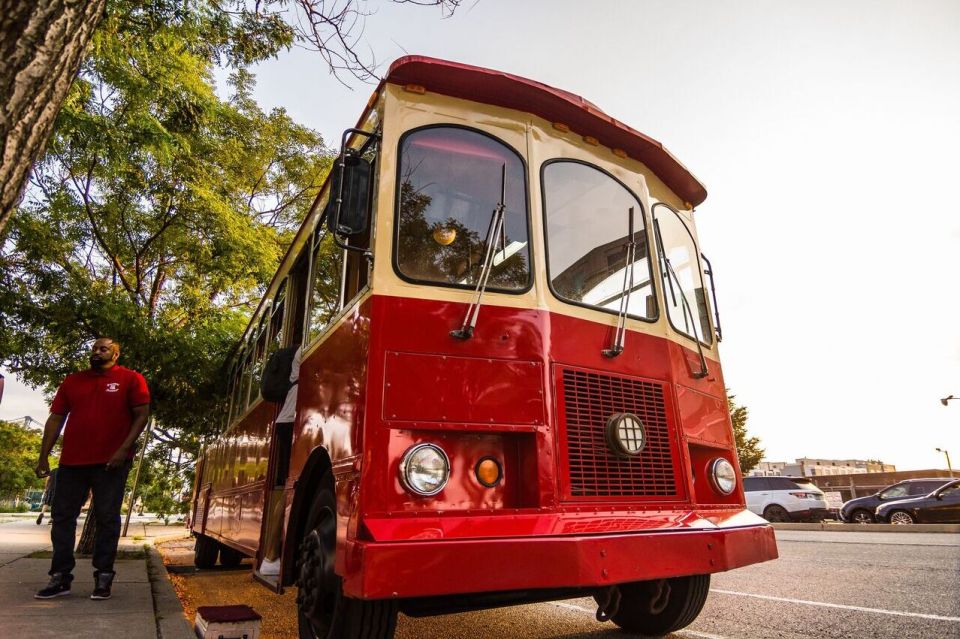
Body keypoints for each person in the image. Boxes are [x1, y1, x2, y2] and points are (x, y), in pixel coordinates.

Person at [33, 337, 150, 600]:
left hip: (111, 463)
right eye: (94, 348)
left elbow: (142, 414)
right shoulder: (73, 381)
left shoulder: (132, 379)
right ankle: (60, 577)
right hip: (72, 462)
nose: (97, 352)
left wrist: (123, 450)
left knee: (108, 519)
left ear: (116, 354)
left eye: (103, 348)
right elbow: (56, 418)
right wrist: (44, 456)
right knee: (62, 518)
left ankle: (103, 578)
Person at [259, 344, 300, 576]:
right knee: (289, 487)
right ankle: (271, 555)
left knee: (290, 486)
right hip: (294, 420)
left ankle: (274, 555)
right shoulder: (306, 347)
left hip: (291, 420)